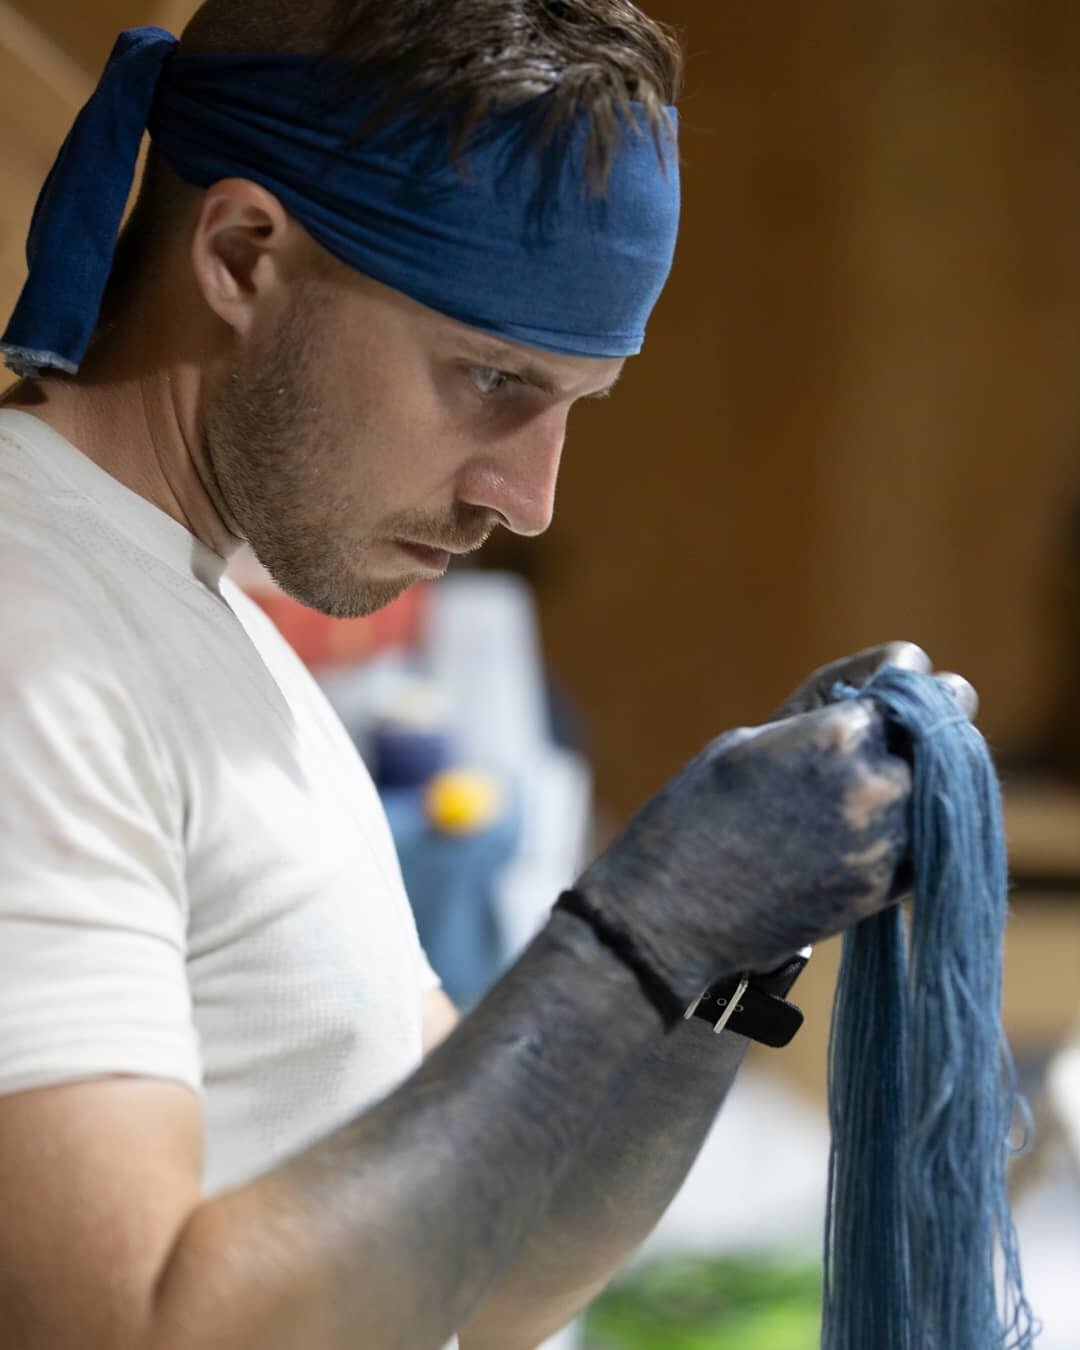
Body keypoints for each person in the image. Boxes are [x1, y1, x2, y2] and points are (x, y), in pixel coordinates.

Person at [0, 2, 976, 1348]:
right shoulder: (31, 636)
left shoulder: (211, 636)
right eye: (490, 378)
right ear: (239, 254)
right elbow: (119, 1328)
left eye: (574, 406)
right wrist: (639, 931)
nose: (530, 499)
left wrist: (719, 957)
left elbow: (497, 1266)